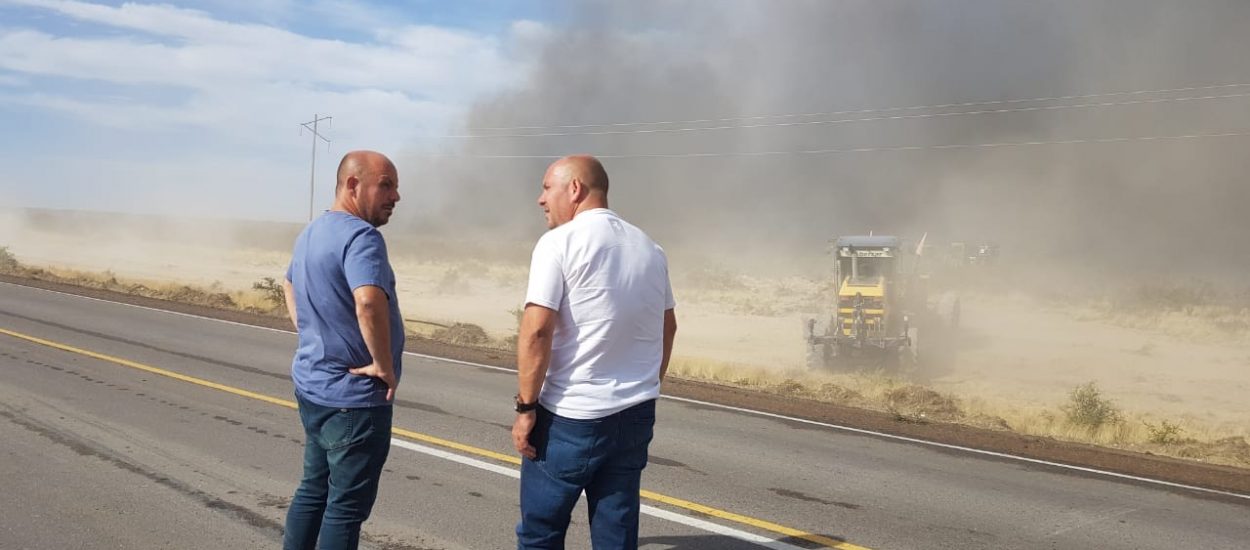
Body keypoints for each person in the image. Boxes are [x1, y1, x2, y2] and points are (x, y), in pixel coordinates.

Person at [512, 155, 678, 549]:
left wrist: (525, 408)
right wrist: (646, 384)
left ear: (575, 189)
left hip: (571, 417)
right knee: (616, 534)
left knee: (541, 532)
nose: (540, 199)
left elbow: (537, 331)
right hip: (635, 413)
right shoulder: (650, 249)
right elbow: (668, 326)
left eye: (546, 187)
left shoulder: (558, 243)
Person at [280, 150, 404, 550]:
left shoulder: (312, 231)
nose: (396, 196)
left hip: (315, 390)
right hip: (353, 402)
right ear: (353, 185)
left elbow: (288, 282)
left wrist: (310, 331)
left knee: (313, 491)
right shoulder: (361, 236)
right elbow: (368, 301)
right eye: (386, 185)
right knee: (345, 509)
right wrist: (383, 364)